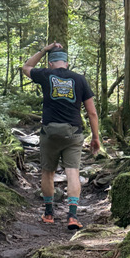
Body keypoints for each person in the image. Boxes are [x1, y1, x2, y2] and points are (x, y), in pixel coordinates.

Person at [22, 42, 100, 230]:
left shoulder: (46, 75)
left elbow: (26, 67)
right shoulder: (79, 79)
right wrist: (96, 137)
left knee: (47, 172)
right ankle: (72, 216)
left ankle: (49, 214)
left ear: (50, 63)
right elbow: (92, 113)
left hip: (49, 132)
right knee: (72, 172)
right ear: (67, 63)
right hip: (73, 132)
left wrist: (44, 50)